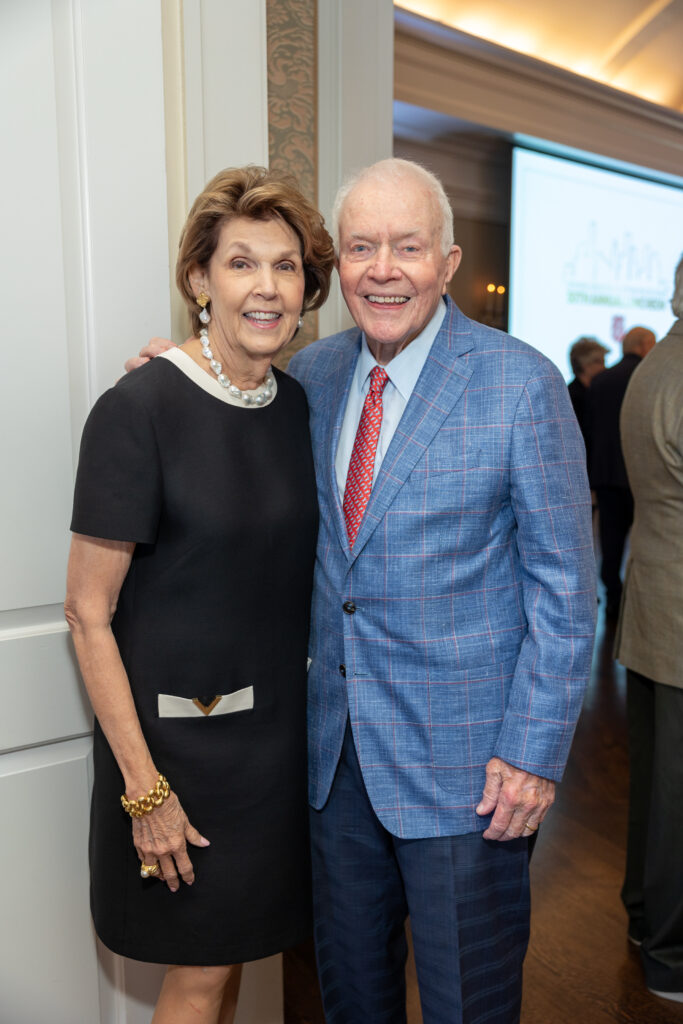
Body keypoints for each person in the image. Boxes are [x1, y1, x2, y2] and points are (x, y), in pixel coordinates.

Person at [130, 158, 597, 1024]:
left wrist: (531, 753)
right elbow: (230, 424)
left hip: (471, 774)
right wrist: (175, 381)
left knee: (468, 1004)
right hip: (329, 767)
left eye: (408, 247)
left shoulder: (519, 384)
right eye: (360, 248)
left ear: (448, 263)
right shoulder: (310, 378)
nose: (383, 268)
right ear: (335, 267)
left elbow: (566, 589)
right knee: (350, 997)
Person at [65, 166, 335, 1024]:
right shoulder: (137, 409)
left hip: (273, 752)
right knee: (200, 976)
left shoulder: (296, 405)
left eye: (286, 266)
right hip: (176, 758)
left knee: (234, 967)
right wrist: (146, 793)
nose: (266, 287)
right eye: (241, 263)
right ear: (198, 281)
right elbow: (88, 613)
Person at [615, 255, 683, 1004]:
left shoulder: (657, 360)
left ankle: (643, 920)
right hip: (675, 616)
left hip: (652, 607)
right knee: (673, 800)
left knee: (655, 789)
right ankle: (671, 954)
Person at [586, 325, 656, 617]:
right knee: (644, 540)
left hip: (605, 474)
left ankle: (612, 593)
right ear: (642, 347)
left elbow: (589, 429)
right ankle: (638, 605)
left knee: (610, 539)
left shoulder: (601, 380)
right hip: (640, 472)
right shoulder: (650, 378)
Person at [567, 335, 608, 449]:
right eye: (600, 362)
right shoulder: (572, 396)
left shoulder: (594, 392)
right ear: (585, 364)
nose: (605, 367)